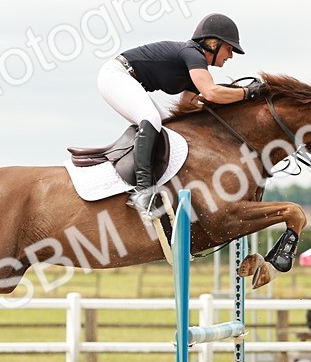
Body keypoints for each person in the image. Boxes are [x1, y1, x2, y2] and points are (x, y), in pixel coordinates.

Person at [97, 13, 263, 218]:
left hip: (127, 79)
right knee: (151, 117)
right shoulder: (193, 55)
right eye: (229, 49)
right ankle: (142, 192)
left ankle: (164, 184)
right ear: (213, 43)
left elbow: (190, 104)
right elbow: (211, 92)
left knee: (169, 127)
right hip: (115, 75)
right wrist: (249, 93)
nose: (230, 56)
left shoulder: (196, 67)